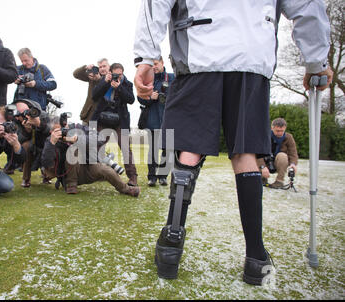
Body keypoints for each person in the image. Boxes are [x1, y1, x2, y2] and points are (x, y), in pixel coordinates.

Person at [133, 0, 333, 285]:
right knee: (245, 153)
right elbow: (307, 5)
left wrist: (145, 57)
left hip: (199, 50)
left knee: (189, 150)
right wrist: (316, 61)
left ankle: (170, 247)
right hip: (251, 53)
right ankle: (255, 256)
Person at [41, 116, 140, 197]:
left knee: (106, 170)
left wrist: (77, 139)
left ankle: (127, 189)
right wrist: (52, 143)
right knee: (72, 150)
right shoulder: (50, 141)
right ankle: (71, 185)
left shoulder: (78, 128)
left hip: (88, 166)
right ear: (51, 132)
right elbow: (47, 163)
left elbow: (99, 138)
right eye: (58, 130)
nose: (63, 131)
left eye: (64, 128)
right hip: (67, 174)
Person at [91, 63, 139, 186]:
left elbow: (131, 99)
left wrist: (119, 88)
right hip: (103, 118)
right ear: (110, 73)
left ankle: (133, 177)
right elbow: (94, 96)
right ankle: (97, 173)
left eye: (120, 74)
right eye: (115, 74)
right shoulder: (103, 80)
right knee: (97, 146)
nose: (118, 76)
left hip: (120, 121)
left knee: (125, 148)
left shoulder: (127, 84)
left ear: (123, 73)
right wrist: (105, 82)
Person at [138, 56, 175, 187]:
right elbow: (140, 99)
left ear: (162, 63)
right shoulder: (148, 80)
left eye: (156, 63)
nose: (154, 66)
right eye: (151, 65)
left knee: (168, 150)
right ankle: (152, 177)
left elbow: (179, 96)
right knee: (153, 150)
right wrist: (150, 98)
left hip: (169, 120)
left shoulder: (172, 78)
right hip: (152, 120)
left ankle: (163, 177)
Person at [13, 99, 51, 188]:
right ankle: (26, 178)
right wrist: (27, 131)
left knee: (49, 147)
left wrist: (40, 125)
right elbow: (18, 140)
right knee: (25, 147)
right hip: (29, 145)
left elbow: (51, 132)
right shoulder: (16, 121)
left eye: (26, 111)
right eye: (21, 114)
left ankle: (47, 175)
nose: (26, 115)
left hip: (43, 142)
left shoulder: (43, 115)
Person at [259, 118, 298, 189]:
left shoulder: (289, 137)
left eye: (282, 131)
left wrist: (293, 164)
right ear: (272, 128)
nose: (280, 133)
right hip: (265, 162)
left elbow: (293, 153)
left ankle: (279, 181)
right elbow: (258, 153)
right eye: (277, 131)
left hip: (279, 162)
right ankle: (261, 178)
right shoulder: (264, 136)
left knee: (282, 156)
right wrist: (262, 166)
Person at [73, 58, 110, 125]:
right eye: (100, 67)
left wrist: (100, 80)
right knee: (84, 135)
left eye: (104, 66)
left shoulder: (112, 78)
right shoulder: (92, 77)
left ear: (109, 66)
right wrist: (86, 67)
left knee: (100, 135)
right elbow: (75, 74)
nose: (102, 69)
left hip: (103, 119)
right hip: (88, 115)